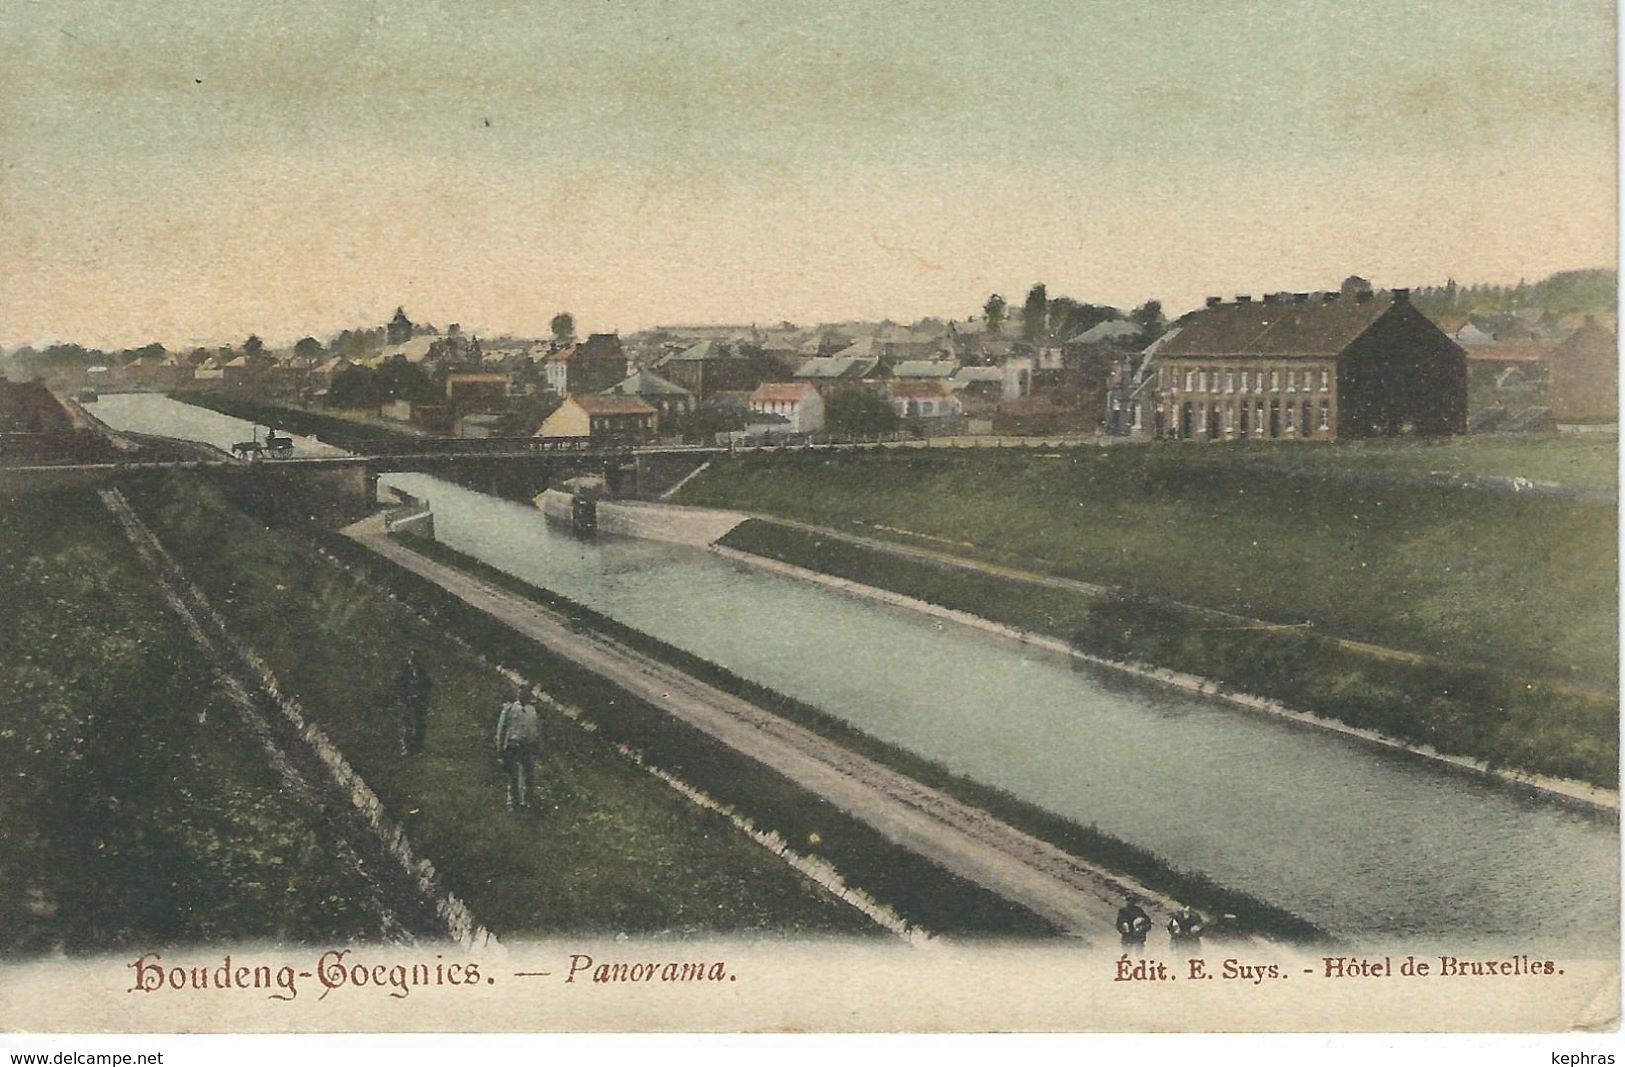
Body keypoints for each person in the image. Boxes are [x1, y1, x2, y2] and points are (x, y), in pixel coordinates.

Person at [496, 682, 543, 811]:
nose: (522, 695)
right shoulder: (509, 708)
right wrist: (500, 748)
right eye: (520, 692)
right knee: (513, 775)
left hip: (527, 746)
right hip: (512, 745)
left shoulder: (532, 711)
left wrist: (537, 746)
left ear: (529, 695)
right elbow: (502, 729)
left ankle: (526, 802)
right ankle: (512, 803)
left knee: (528, 775)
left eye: (525, 693)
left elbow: (536, 730)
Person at [395, 649, 433, 756]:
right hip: (407, 702)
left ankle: (417, 748)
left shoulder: (423, 673)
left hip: (420, 703)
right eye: (412, 659)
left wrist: (421, 695)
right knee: (407, 724)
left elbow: (428, 687)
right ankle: (407, 747)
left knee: (419, 724)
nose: (413, 662)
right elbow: (399, 685)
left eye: (416, 659)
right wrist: (406, 696)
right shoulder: (404, 672)